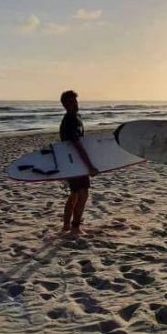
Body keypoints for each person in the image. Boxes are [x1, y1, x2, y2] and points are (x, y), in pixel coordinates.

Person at [59, 90, 97, 234]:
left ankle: (67, 225)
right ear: (64, 105)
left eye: (75, 101)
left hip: (75, 162)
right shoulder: (69, 121)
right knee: (82, 194)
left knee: (76, 193)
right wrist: (90, 166)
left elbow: (81, 141)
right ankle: (74, 226)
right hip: (74, 162)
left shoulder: (77, 118)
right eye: (70, 102)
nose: (74, 104)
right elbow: (77, 146)